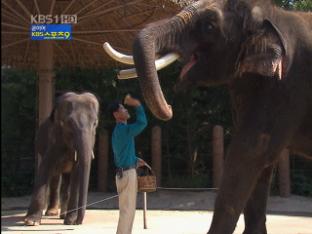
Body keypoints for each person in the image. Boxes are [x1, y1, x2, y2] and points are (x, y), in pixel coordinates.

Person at [108, 94, 147, 234]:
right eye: (123, 108)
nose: (126, 110)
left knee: (126, 210)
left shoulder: (117, 132)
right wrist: (137, 105)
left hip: (121, 173)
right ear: (116, 114)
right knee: (127, 211)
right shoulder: (125, 130)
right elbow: (143, 123)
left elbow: (121, 154)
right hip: (128, 175)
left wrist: (135, 160)